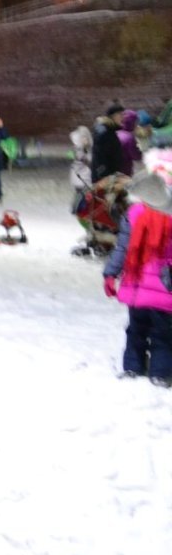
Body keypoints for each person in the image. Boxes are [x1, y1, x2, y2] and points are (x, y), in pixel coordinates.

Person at [102, 160, 172, 387]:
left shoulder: (134, 213)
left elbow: (122, 248)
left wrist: (110, 274)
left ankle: (133, 367)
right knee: (163, 335)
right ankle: (160, 373)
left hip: (137, 288)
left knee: (135, 331)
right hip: (165, 292)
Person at [91, 103, 126, 183]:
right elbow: (100, 158)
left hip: (109, 176)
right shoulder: (105, 133)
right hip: (105, 179)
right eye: (120, 114)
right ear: (113, 116)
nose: (122, 117)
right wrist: (105, 178)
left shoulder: (108, 130)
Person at [117, 109, 142, 177]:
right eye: (136, 123)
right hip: (124, 171)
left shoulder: (116, 133)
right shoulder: (129, 138)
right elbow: (136, 156)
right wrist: (140, 152)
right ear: (132, 123)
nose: (137, 125)